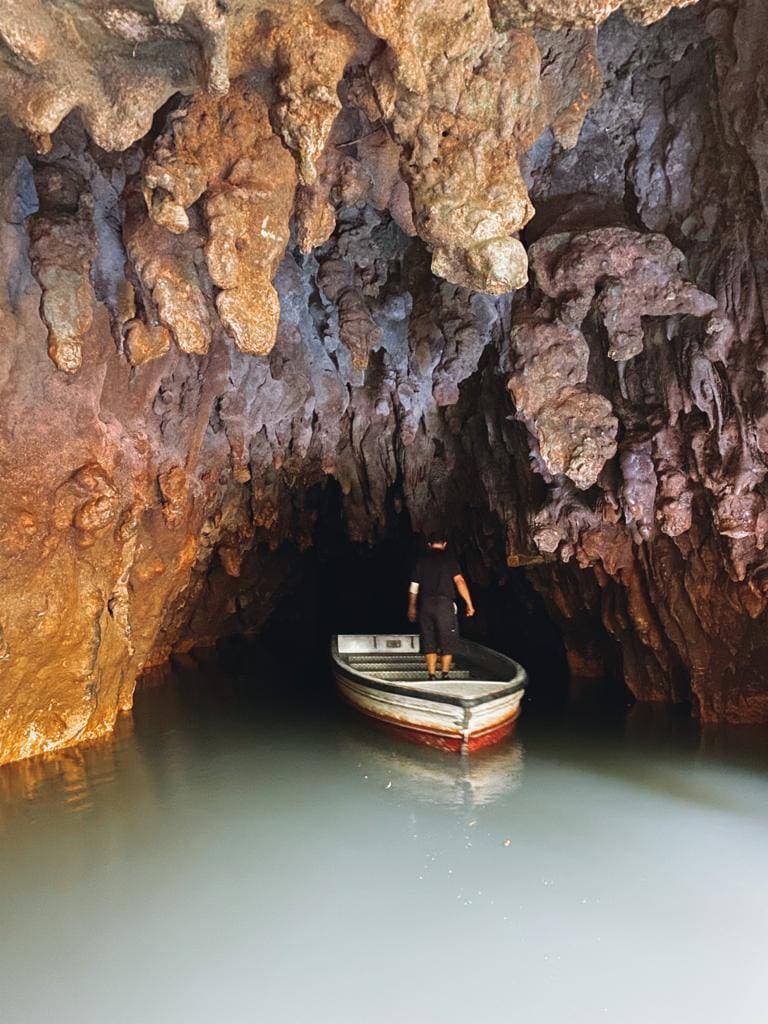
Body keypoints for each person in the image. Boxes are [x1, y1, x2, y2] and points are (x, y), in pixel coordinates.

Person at [407, 533, 475, 680]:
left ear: (429, 545)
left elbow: (414, 587)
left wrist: (412, 607)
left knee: (428, 638)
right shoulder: (450, 561)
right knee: (447, 638)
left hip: (426, 605)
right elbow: (460, 581)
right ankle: (445, 674)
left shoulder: (421, 561)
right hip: (444, 605)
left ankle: (431, 675)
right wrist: (469, 603)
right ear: (444, 544)